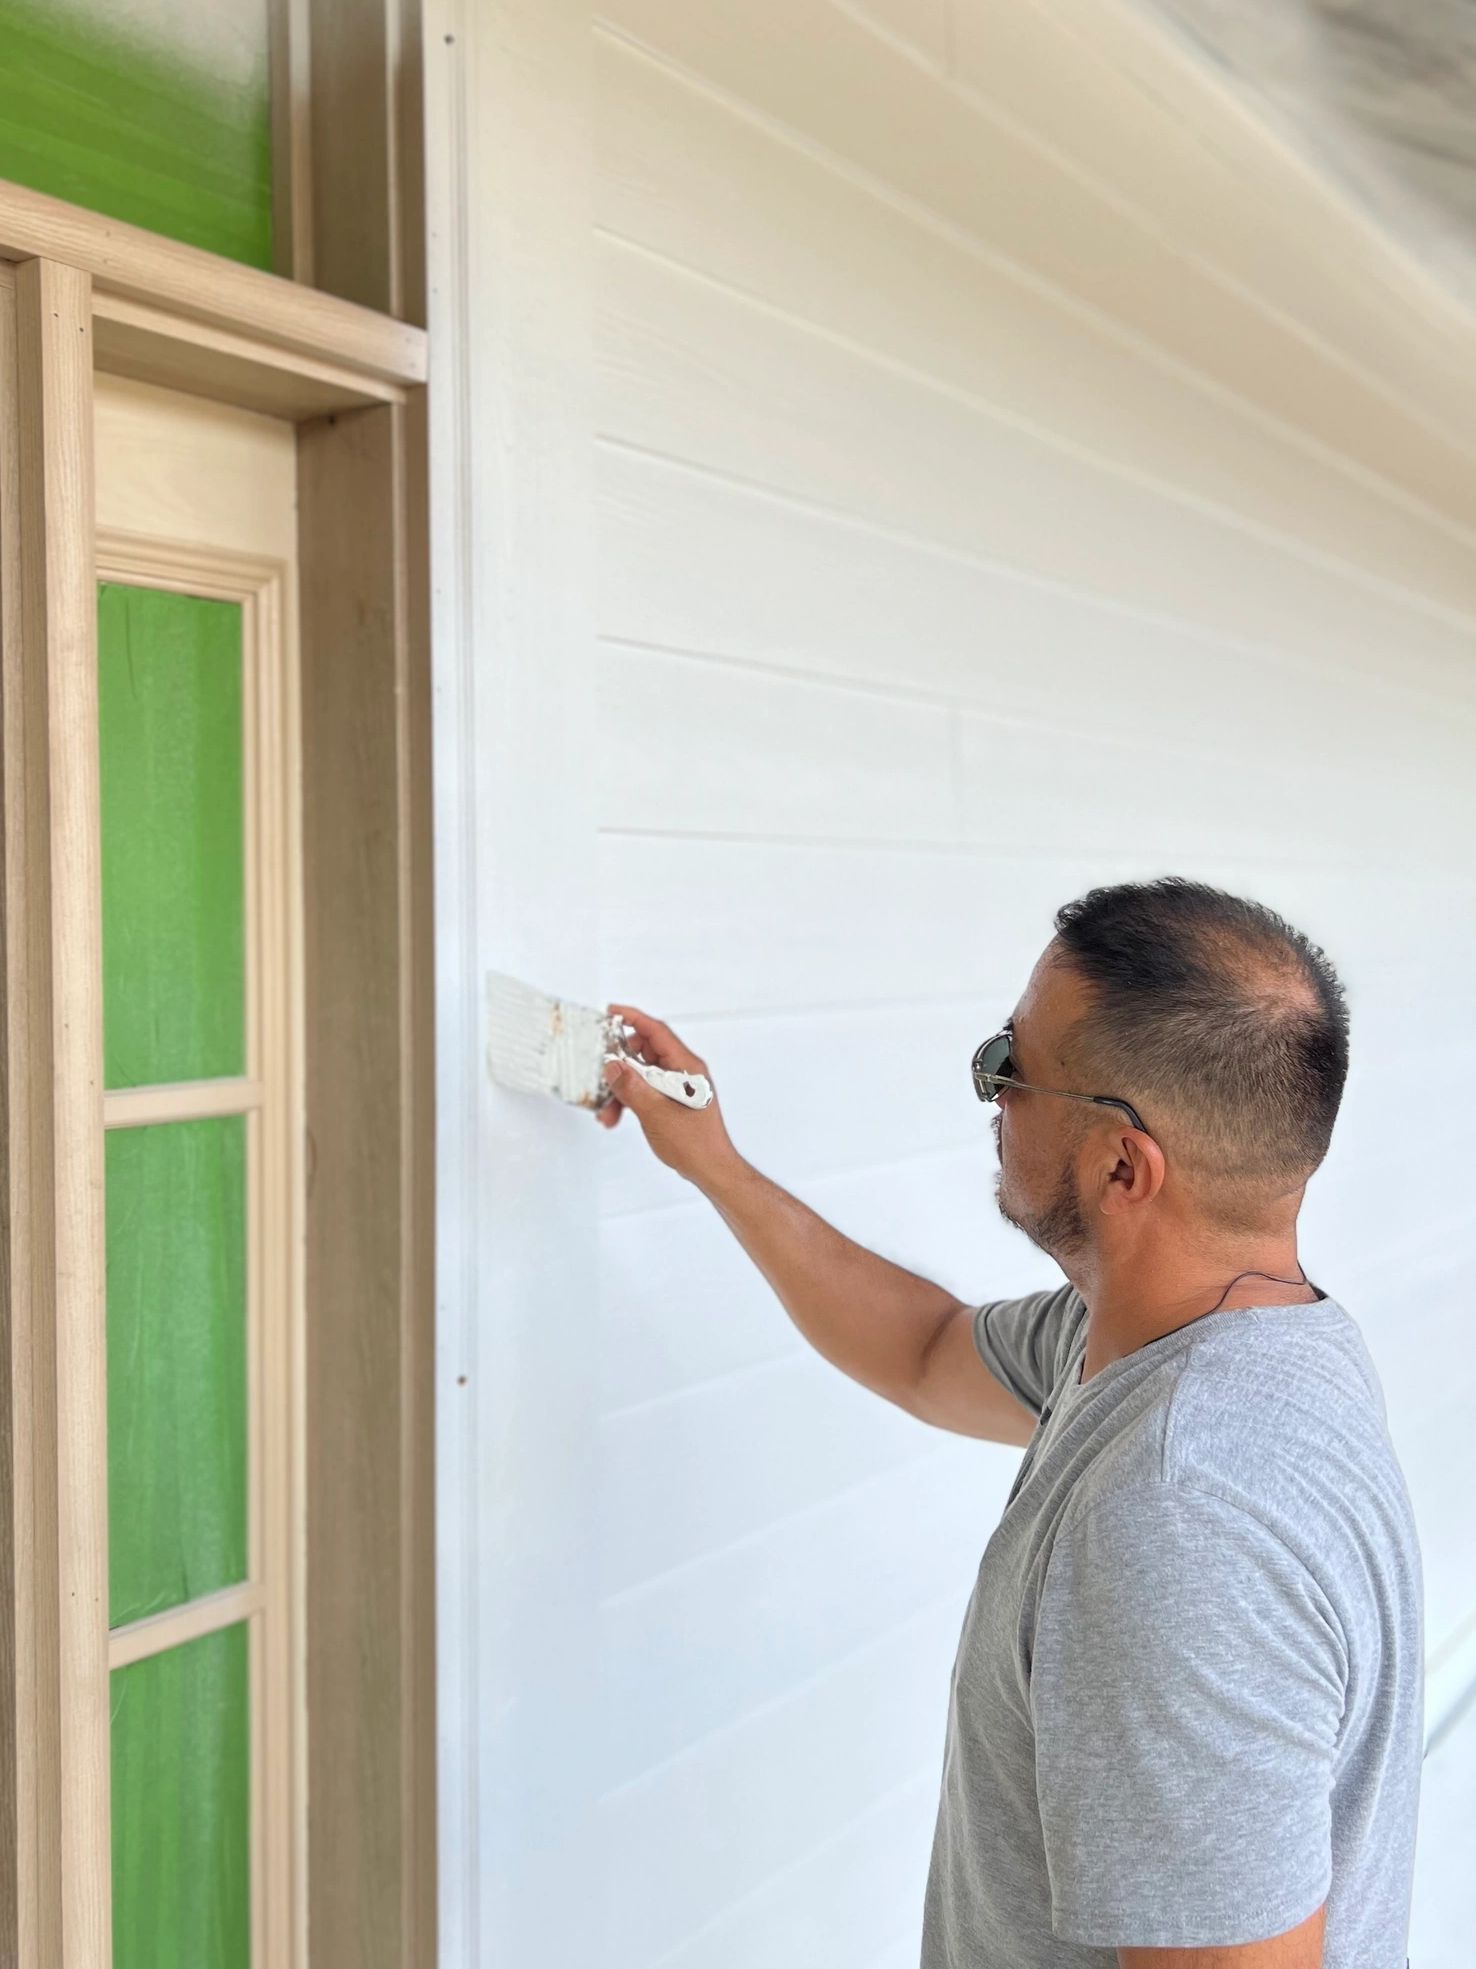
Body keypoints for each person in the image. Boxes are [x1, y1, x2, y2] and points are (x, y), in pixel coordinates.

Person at [597, 875, 1423, 1968]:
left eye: (1009, 1067)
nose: (989, 1094)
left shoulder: (1184, 1512)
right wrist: (716, 1162)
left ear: (1123, 1163)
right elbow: (926, 1347)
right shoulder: (1205, 1340)